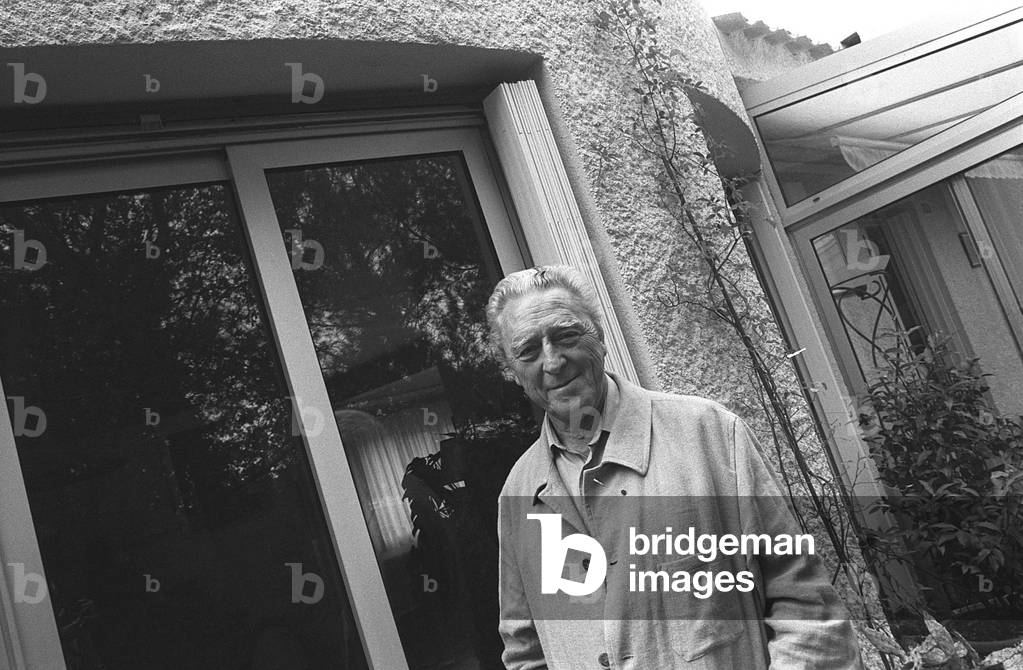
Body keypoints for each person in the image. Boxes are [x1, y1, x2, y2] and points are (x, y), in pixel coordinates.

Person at [486, 265, 864, 669]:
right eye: (528, 350)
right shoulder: (519, 492)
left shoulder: (711, 435)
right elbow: (526, 651)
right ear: (512, 372)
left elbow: (806, 606)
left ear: (600, 336)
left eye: (565, 335)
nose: (553, 361)